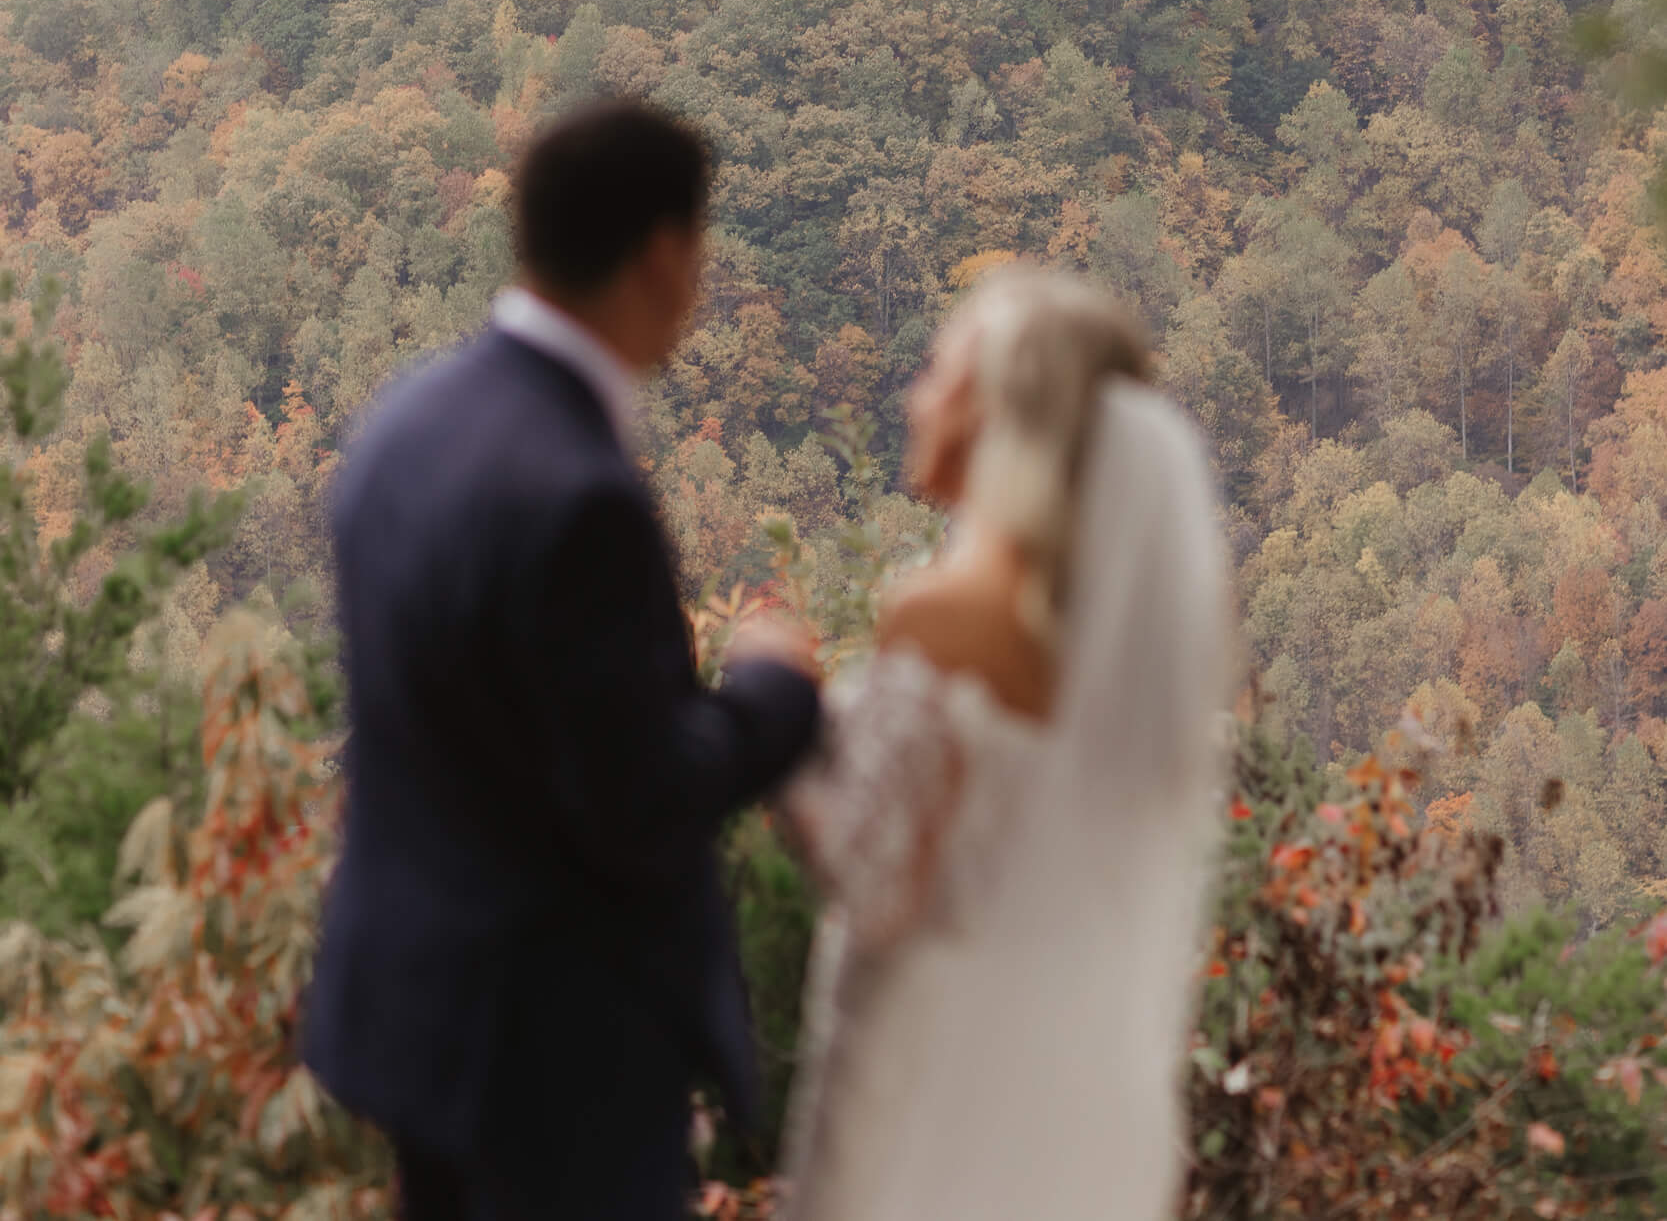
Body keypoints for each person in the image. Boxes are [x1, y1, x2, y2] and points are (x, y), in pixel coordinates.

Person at [306, 99, 822, 1221]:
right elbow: (638, 791)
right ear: (662, 254)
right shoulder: (578, 496)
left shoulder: (404, 421)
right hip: (553, 1043)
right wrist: (771, 691)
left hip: (415, 1013)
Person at [782, 266, 1228, 1221]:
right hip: (1062, 1085)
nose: (915, 396)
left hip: (919, 1066)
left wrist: (779, 704)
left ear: (996, 415)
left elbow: (871, 871)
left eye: (937, 372)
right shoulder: (1115, 662)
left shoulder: (941, 615)